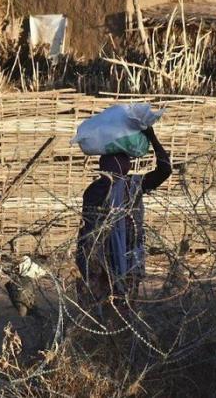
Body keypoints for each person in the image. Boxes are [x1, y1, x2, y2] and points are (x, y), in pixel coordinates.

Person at [77, 126, 171, 316]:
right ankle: (103, 342)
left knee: (124, 308)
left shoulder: (133, 185)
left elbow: (165, 169)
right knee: (102, 309)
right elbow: (88, 228)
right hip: (101, 260)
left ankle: (119, 341)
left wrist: (152, 137)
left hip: (127, 258)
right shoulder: (99, 189)